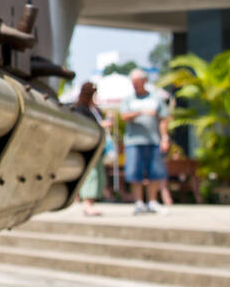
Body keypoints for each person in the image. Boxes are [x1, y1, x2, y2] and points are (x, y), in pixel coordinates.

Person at [119, 68, 170, 214]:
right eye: (132, 82)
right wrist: (141, 112)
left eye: (137, 82)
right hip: (133, 141)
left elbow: (163, 120)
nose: (134, 85)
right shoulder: (128, 99)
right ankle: (139, 202)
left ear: (144, 81)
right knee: (135, 173)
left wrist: (165, 138)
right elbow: (123, 116)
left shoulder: (156, 98)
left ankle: (153, 202)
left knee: (155, 172)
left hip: (153, 140)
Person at [71, 82, 112, 216]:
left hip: (99, 147)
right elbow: (84, 126)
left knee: (99, 174)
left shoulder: (95, 109)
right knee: (91, 174)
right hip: (89, 146)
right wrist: (101, 124)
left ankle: (91, 202)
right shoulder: (81, 109)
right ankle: (87, 204)